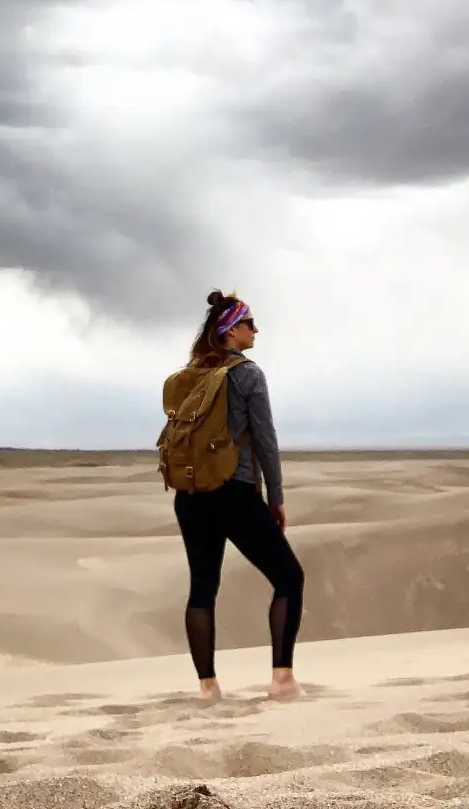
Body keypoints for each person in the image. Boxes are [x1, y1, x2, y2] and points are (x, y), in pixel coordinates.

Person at [172, 289, 305, 702]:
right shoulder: (248, 374)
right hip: (234, 492)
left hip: (190, 495)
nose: (256, 330)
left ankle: (208, 688)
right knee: (289, 578)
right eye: (249, 324)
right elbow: (265, 441)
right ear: (231, 331)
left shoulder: (189, 375)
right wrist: (276, 497)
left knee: (202, 589)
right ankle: (282, 680)